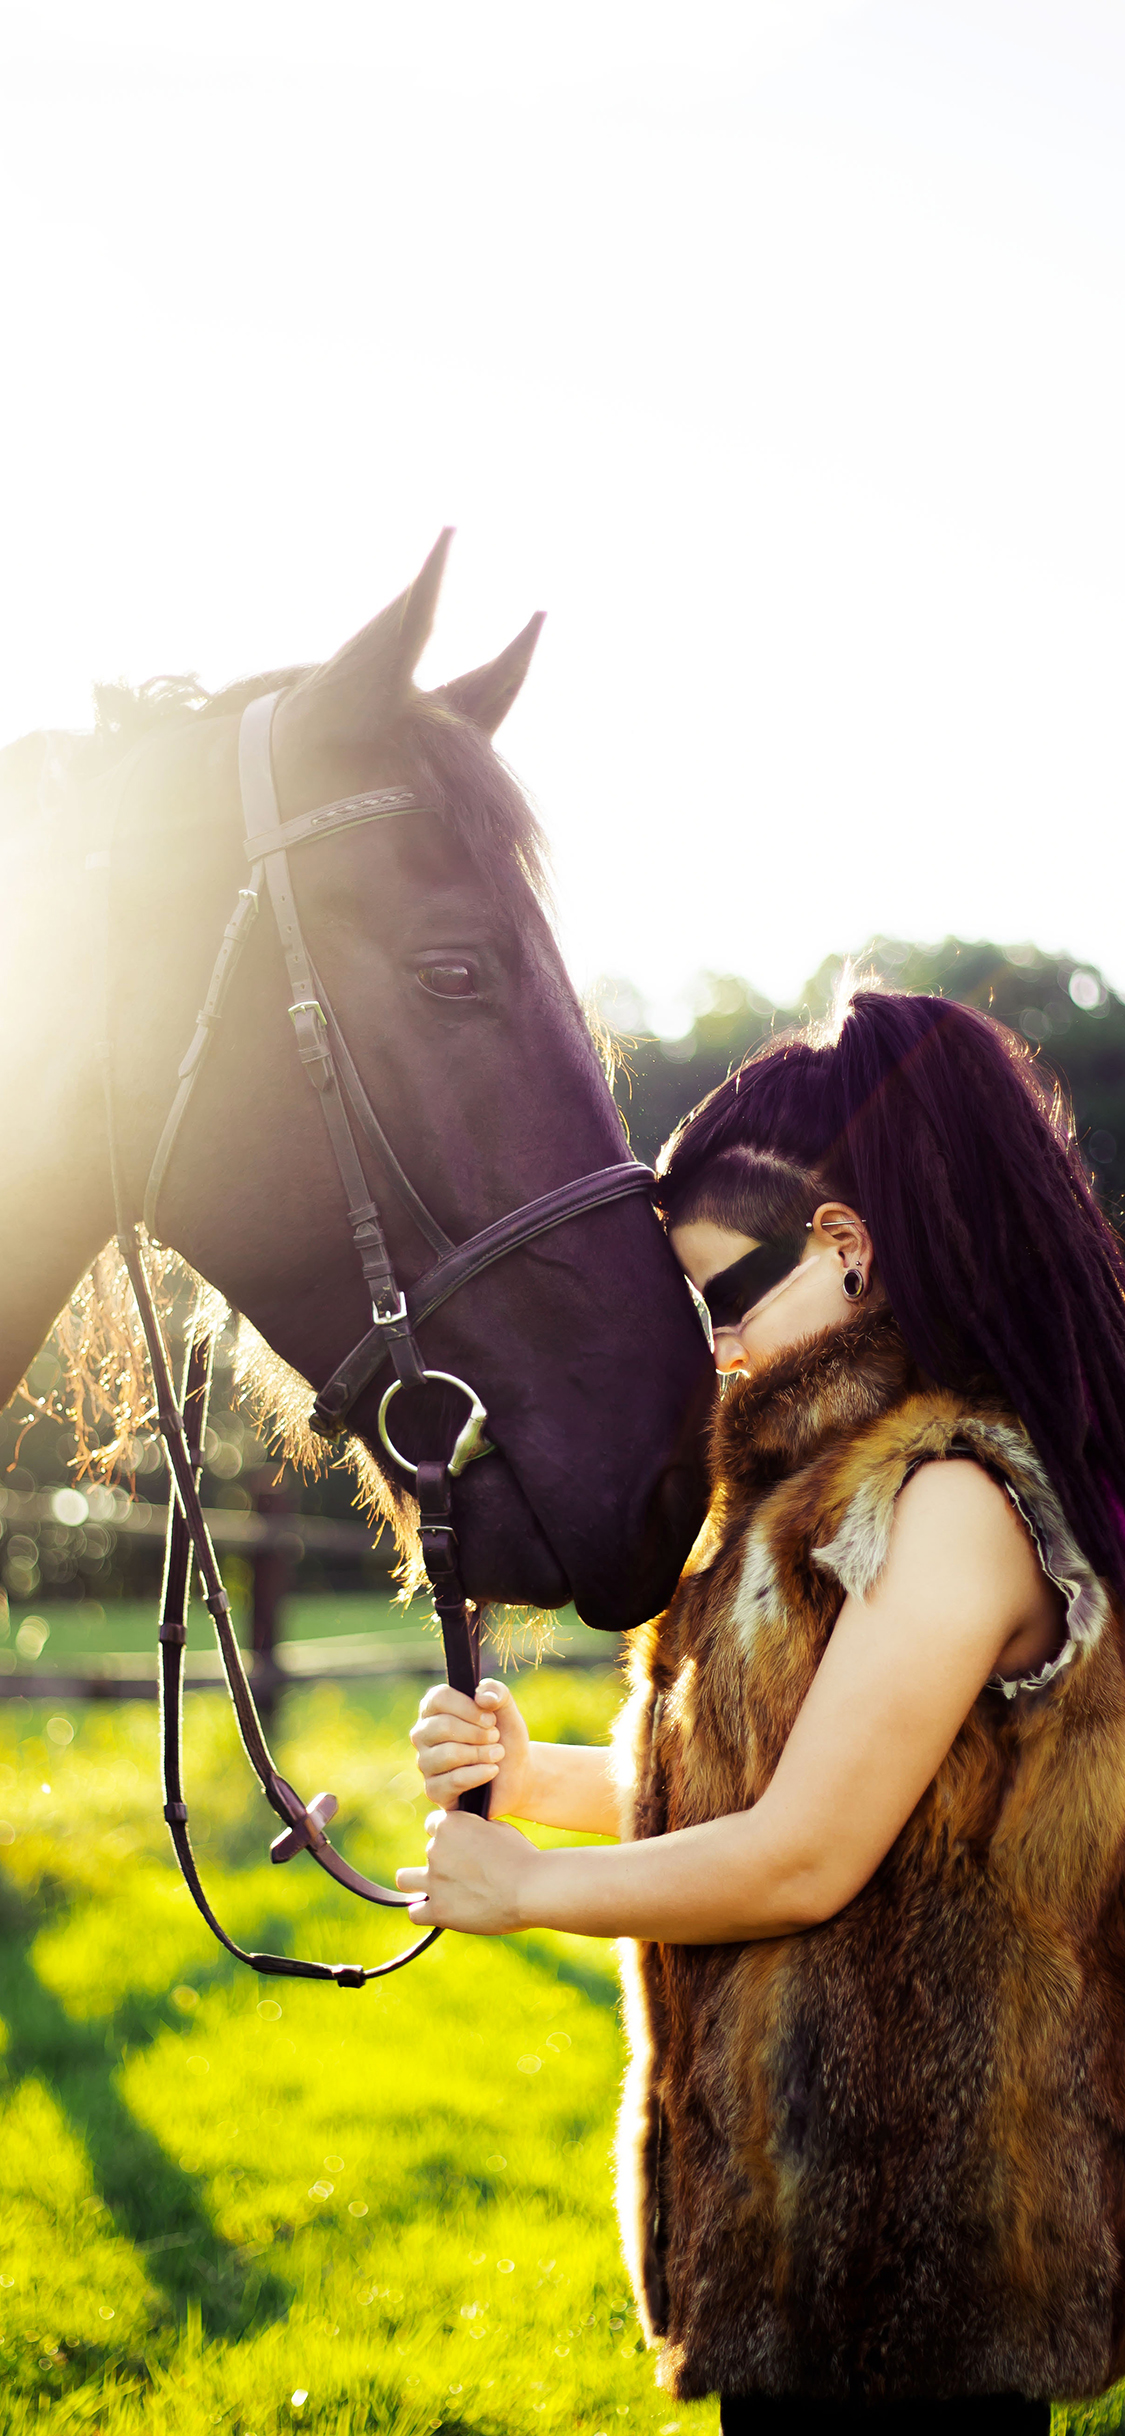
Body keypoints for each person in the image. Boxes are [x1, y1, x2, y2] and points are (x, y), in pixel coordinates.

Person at [399, 987, 1125, 2433]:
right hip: (795, 2238)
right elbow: (767, 1793)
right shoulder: (803, 1502)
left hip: (923, 2260)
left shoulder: (950, 1501)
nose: (713, 1347)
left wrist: (532, 1892)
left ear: (844, 1245)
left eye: (721, 1298)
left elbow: (804, 1854)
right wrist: (542, 1783)